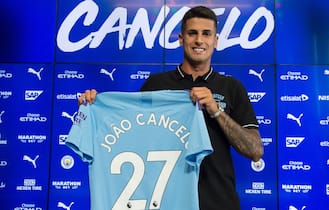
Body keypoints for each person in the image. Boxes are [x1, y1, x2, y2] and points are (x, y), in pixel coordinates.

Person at [78, 5, 263, 210]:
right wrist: (94, 109)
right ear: (181, 38)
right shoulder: (155, 85)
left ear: (216, 41)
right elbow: (127, 132)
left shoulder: (232, 87)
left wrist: (216, 110)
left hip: (218, 203)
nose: (199, 40)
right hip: (166, 202)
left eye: (206, 34)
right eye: (192, 33)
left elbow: (255, 150)